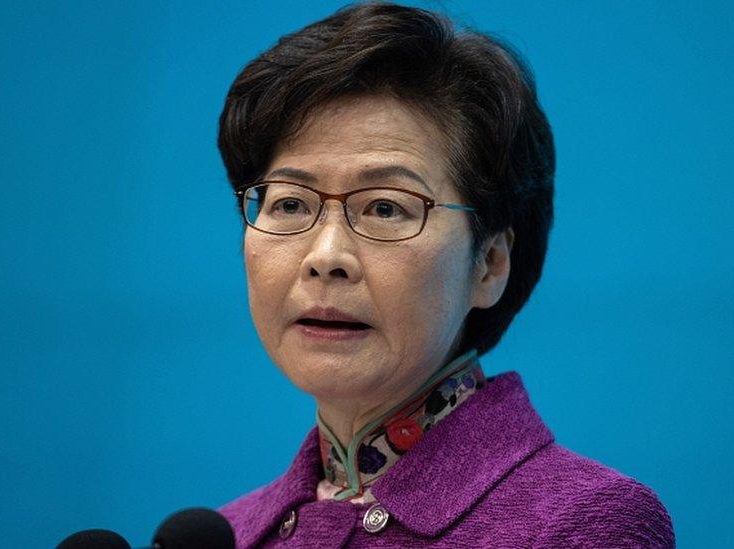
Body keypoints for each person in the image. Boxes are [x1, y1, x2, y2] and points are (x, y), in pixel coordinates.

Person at [215, 2, 674, 547]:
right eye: (290, 204)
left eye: (385, 207)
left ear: (490, 264)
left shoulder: (583, 522)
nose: (326, 255)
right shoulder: (228, 534)